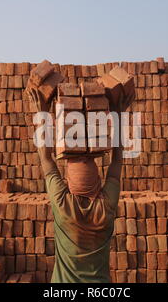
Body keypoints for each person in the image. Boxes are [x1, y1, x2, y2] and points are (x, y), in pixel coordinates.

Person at [28, 88, 134, 283]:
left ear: (67, 184)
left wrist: (42, 110)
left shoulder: (65, 206)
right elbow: (118, 161)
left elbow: (45, 157)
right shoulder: (102, 205)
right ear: (99, 184)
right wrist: (119, 113)